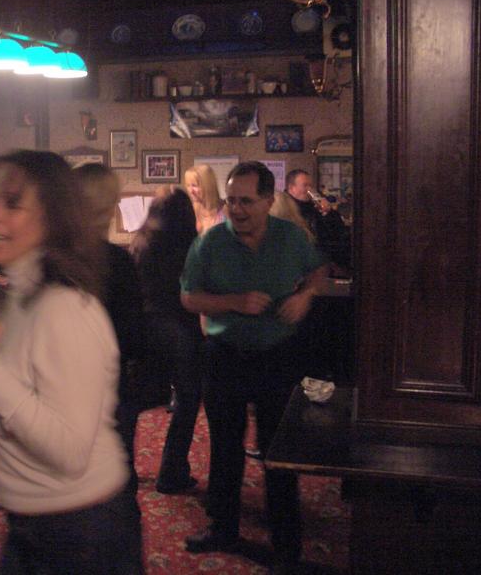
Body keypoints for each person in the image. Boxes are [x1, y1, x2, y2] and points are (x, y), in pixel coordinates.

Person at [0, 150, 143, 574]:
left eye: (12, 203)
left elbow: (69, 451)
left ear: (52, 216)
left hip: (81, 531)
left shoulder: (64, 310)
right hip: (37, 525)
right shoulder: (20, 296)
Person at [181, 161, 327, 573]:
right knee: (225, 448)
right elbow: (189, 298)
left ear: (267, 200)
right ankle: (222, 528)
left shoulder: (291, 238)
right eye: (232, 201)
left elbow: (319, 270)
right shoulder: (210, 243)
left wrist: (305, 296)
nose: (237, 209)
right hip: (224, 356)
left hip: (277, 357)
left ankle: (286, 542)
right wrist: (233, 302)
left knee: (278, 454)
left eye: (246, 201)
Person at [74, 162, 146, 496]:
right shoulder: (116, 262)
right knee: (116, 468)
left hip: (65, 381)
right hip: (107, 380)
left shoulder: (52, 259)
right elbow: (131, 334)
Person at [130, 187, 201, 494]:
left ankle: (124, 470)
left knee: (135, 400)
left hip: (146, 324)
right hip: (181, 326)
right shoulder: (191, 247)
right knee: (187, 399)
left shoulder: (140, 242)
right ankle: (172, 470)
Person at [285, 168, 350, 272]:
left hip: (318, 260)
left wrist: (329, 213)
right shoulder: (284, 207)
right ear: (291, 188)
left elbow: (337, 232)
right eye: (305, 185)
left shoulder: (314, 206)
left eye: (310, 186)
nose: (309, 189)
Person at [184, 164, 225, 234]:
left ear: (208, 185)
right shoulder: (188, 211)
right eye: (188, 185)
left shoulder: (225, 211)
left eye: (194, 185)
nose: (191, 191)